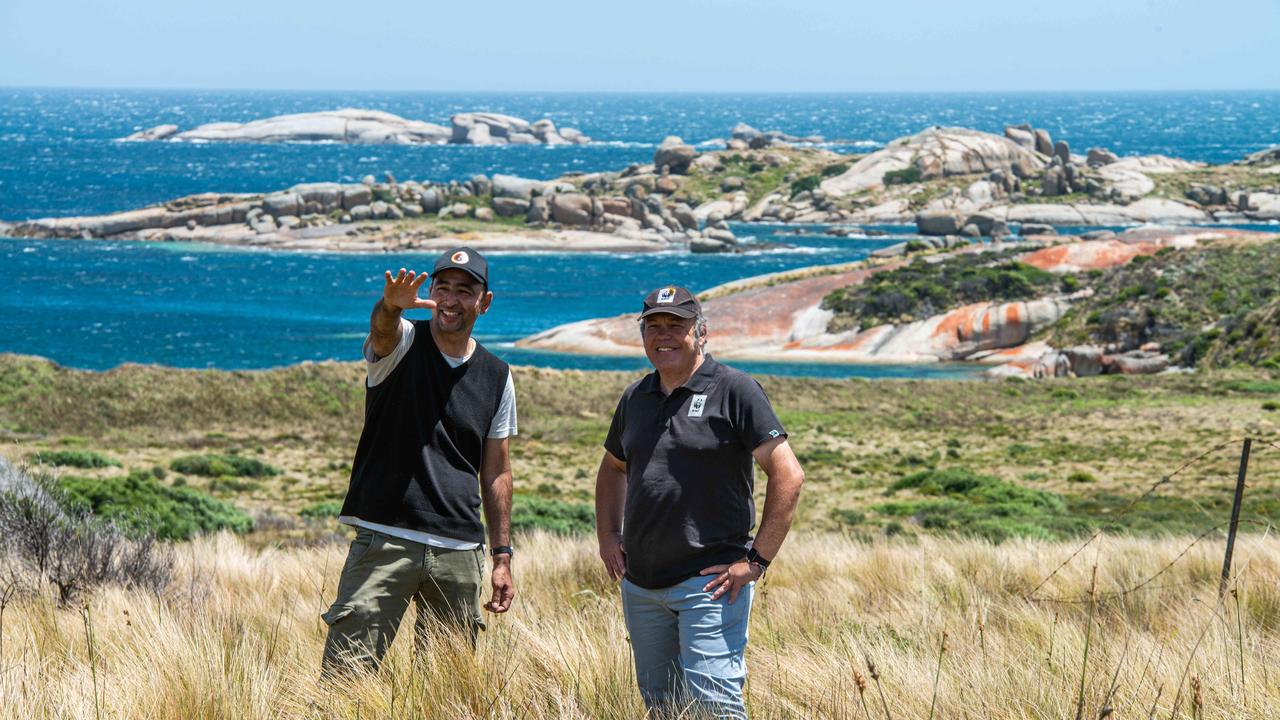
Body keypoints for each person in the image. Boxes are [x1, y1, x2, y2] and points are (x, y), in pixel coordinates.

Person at [595, 285, 805, 719]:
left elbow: (788, 475)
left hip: (709, 583)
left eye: (677, 325)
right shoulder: (635, 397)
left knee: (715, 707)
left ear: (701, 333)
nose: (664, 335)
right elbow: (613, 468)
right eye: (654, 326)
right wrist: (607, 535)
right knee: (662, 708)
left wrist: (757, 561)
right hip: (642, 584)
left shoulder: (736, 390)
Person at [321, 246, 517, 675]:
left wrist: (502, 556)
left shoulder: (498, 375)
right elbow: (383, 331)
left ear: (484, 302)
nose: (450, 299)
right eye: (442, 287)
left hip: (460, 550)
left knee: (449, 690)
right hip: (384, 536)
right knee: (346, 680)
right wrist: (390, 306)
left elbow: (497, 471)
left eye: (464, 291)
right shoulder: (404, 341)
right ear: (428, 292)